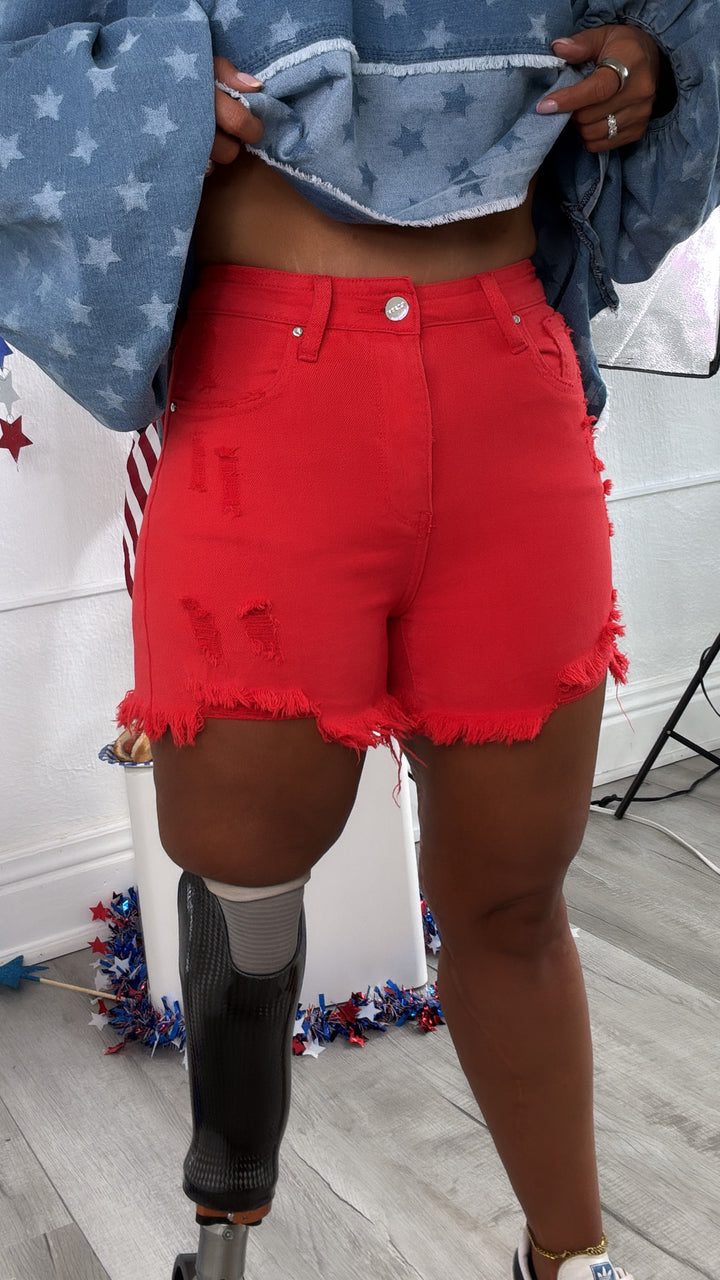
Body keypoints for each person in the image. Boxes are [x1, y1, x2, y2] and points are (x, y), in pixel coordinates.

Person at [1, 6, 719, 1280]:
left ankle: (572, 1255)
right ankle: (223, 1237)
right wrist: (142, 99)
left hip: (510, 380)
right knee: (243, 885)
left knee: (514, 894)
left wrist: (658, 59)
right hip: (261, 396)